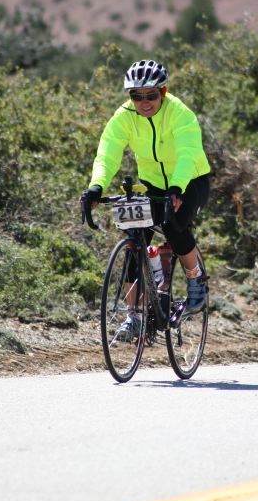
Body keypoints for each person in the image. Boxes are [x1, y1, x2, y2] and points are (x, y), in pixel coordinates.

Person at [81, 59, 211, 340]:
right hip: (152, 183)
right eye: (137, 96)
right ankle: (135, 316)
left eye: (151, 95)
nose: (144, 102)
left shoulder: (180, 113)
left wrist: (177, 187)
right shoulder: (124, 116)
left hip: (191, 180)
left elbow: (188, 153)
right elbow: (107, 153)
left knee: (174, 225)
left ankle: (195, 278)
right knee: (134, 240)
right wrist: (96, 186)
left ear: (163, 92)